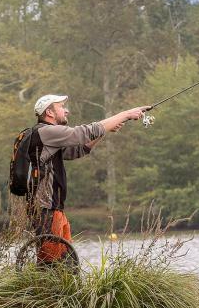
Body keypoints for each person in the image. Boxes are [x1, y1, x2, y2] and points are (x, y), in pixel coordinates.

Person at [26, 94, 148, 262]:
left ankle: (61, 288)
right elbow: (83, 133)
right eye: (61, 106)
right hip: (46, 208)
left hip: (53, 208)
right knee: (51, 262)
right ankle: (43, 288)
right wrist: (126, 114)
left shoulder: (48, 137)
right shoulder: (46, 131)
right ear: (50, 113)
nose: (66, 110)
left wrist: (104, 131)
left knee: (65, 260)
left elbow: (78, 150)